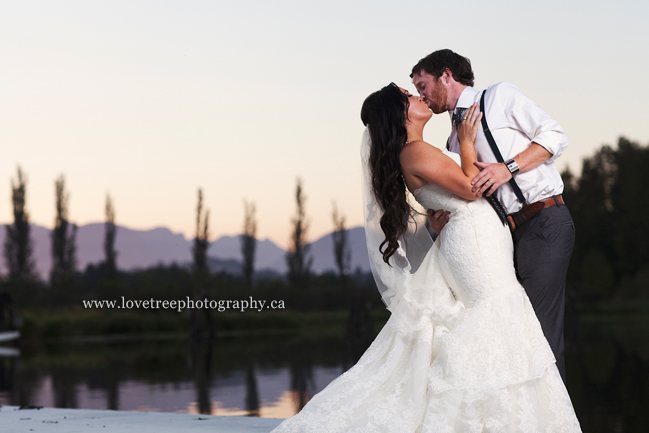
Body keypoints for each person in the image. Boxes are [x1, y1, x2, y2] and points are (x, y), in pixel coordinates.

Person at [270, 83, 581, 432]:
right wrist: (465, 141)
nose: (417, 97)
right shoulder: (414, 151)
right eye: (408, 96)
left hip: (475, 238)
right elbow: (469, 187)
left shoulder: (420, 150)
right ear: (400, 113)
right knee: (498, 313)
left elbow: (452, 191)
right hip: (474, 243)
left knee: (499, 319)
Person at [411, 49, 575, 383]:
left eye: (423, 85)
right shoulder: (453, 140)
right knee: (514, 332)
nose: (421, 95)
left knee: (540, 335)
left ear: (446, 75)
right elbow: (466, 193)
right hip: (500, 242)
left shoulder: (499, 96)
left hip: (542, 221)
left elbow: (555, 136)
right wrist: (439, 217)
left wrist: (507, 168)